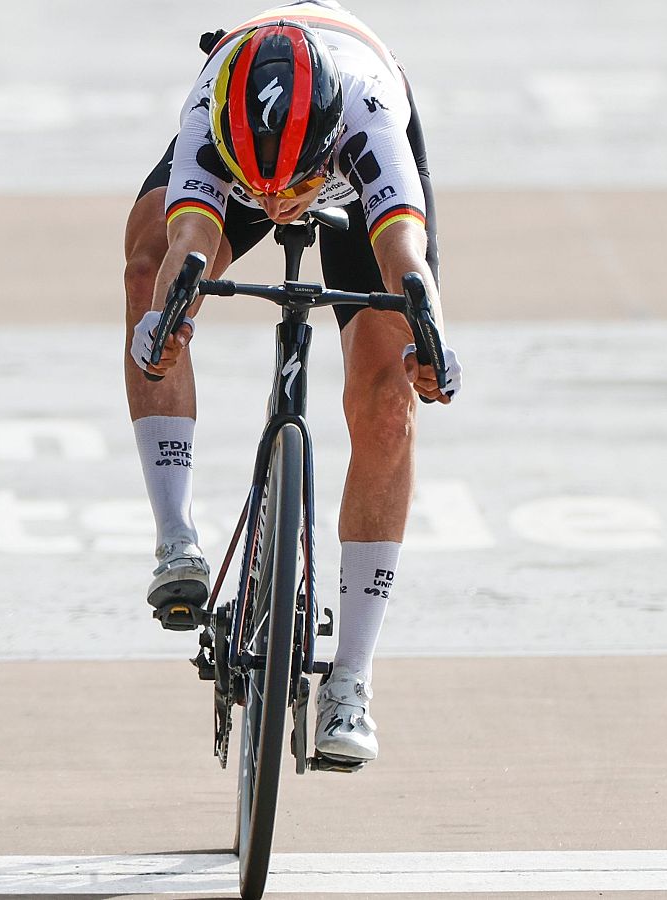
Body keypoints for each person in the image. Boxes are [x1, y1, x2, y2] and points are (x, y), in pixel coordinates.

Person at [122, 0, 461, 766]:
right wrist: (170, 318)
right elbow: (189, 237)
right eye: (260, 191)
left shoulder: (369, 119)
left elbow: (406, 255)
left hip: (350, 180)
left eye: (291, 187)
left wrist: (434, 339)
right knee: (148, 275)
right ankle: (175, 539)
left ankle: (353, 679)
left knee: (387, 398)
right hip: (242, 145)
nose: (277, 209)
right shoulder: (214, 115)